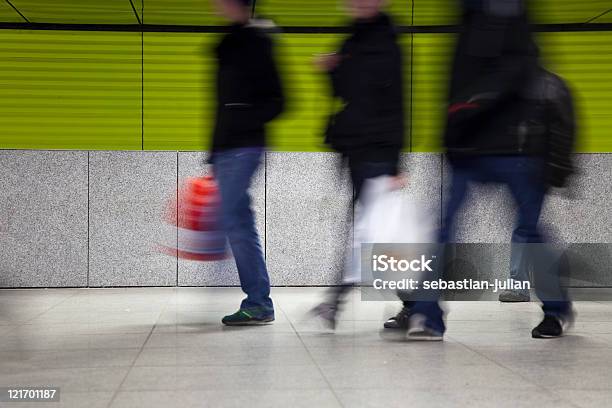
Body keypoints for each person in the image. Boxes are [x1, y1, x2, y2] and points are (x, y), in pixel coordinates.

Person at [384, 0, 575, 339]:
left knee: (529, 232)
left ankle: (557, 309)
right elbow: (452, 83)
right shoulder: (465, 15)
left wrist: (475, 104)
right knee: (444, 231)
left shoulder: (513, 12)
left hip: (515, 145)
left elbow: (520, 71)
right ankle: (427, 315)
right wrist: (450, 135)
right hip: (469, 146)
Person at [310, 0, 405, 329]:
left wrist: (396, 163)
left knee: (373, 232)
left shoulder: (388, 41)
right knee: (371, 231)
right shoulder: (352, 40)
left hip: (377, 150)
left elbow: (398, 104)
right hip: (357, 149)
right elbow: (344, 92)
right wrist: (331, 70)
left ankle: (337, 300)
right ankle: (339, 300)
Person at [210, 0, 284, 325]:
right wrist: (215, 150)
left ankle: (258, 302)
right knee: (237, 222)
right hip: (227, 148)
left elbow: (280, 100)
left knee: (232, 221)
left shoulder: (256, 42)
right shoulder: (228, 42)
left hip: (244, 146)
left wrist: (243, 123)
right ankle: (258, 302)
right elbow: (221, 106)